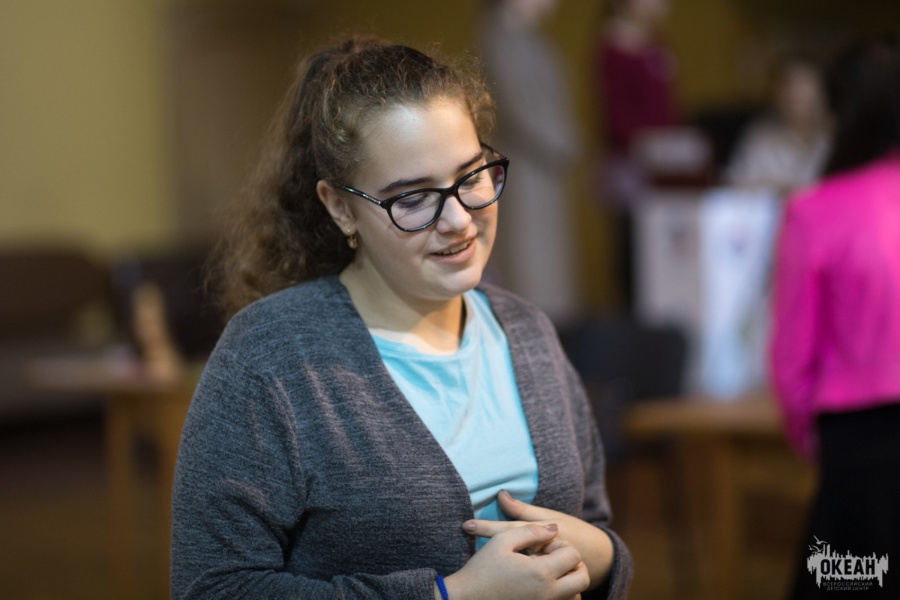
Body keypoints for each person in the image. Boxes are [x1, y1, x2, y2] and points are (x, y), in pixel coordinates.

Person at [171, 36, 633, 600]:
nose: (458, 220)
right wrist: (450, 595)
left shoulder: (527, 331)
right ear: (341, 207)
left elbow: (591, 525)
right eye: (412, 198)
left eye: (472, 176)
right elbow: (212, 588)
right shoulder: (270, 358)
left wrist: (604, 555)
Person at [770, 34, 900, 599]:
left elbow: (792, 358)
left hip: (858, 448)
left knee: (847, 583)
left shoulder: (815, 209)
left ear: (837, 111)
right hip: (860, 438)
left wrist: (810, 434)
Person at [478, 0, 582, 324]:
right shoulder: (499, 38)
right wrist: (564, 141)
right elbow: (519, 110)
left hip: (543, 170)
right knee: (528, 265)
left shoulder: (531, 40)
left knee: (548, 265)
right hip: (522, 170)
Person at [725, 55, 831, 196]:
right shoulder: (758, 136)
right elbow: (735, 187)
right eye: (788, 84)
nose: (795, 93)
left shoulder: (833, 138)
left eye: (805, 84)